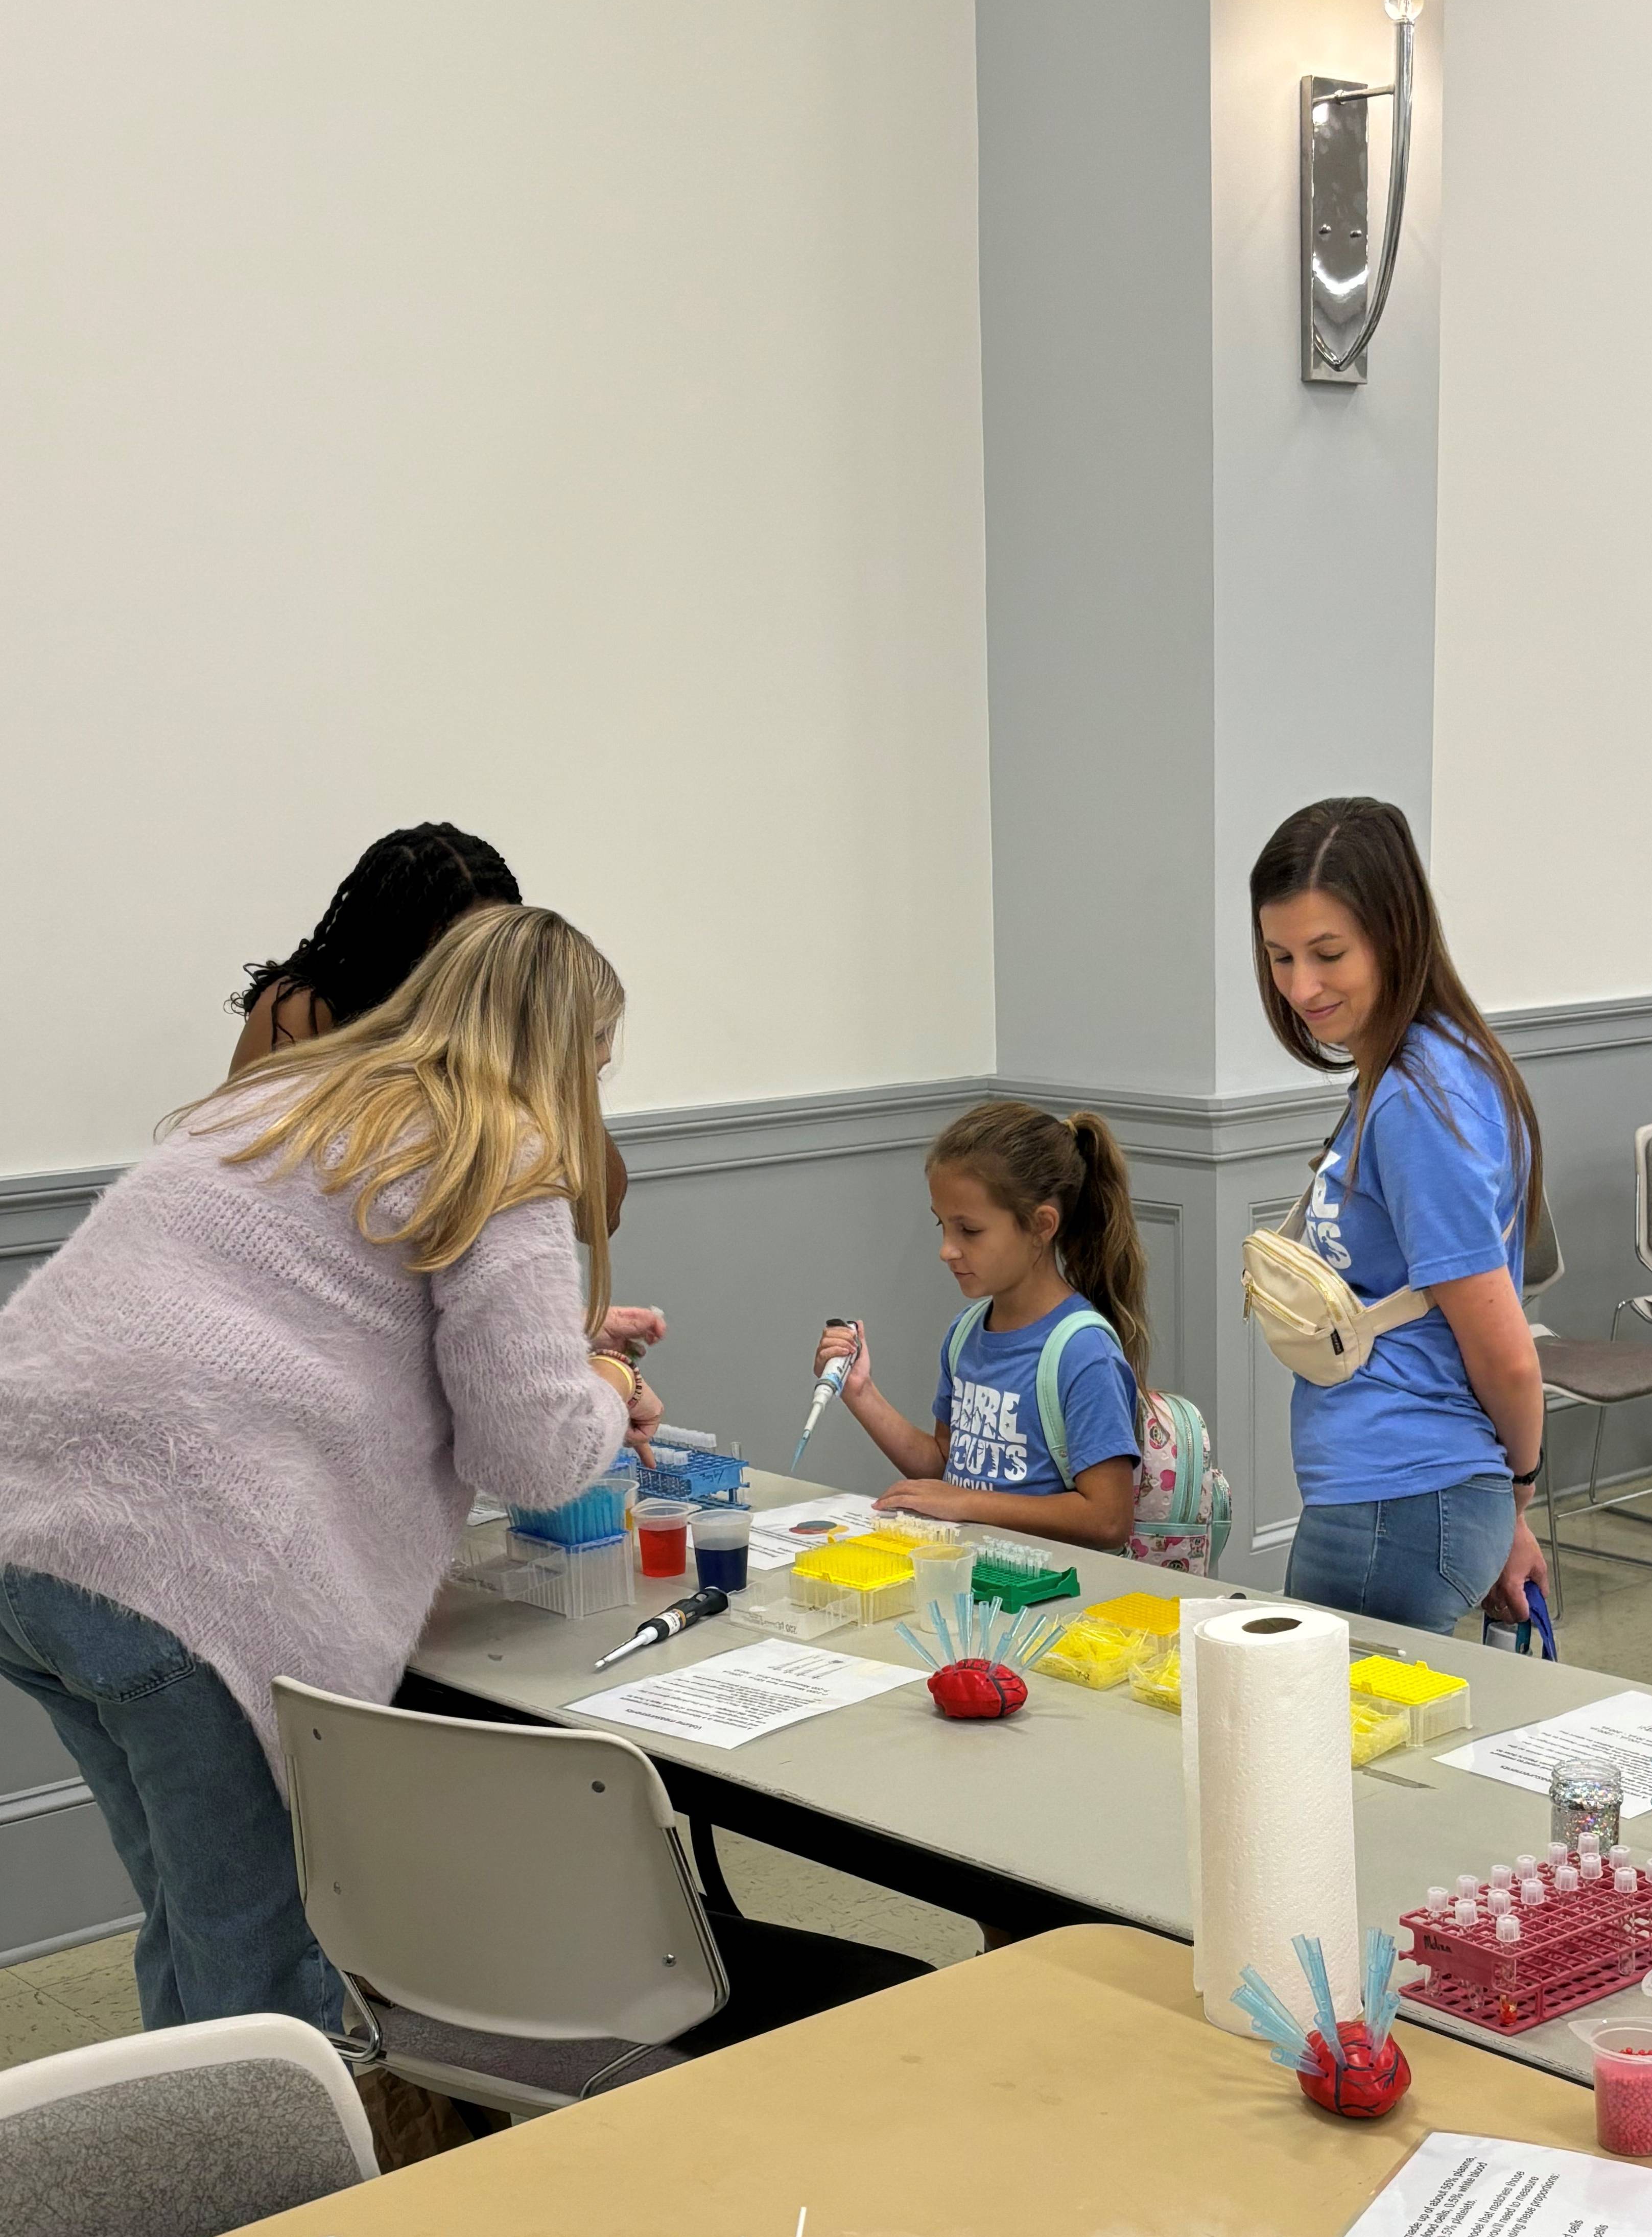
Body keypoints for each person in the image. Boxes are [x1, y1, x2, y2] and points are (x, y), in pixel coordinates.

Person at [0, 905, 662, 2036]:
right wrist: (603, 1377)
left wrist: (571, 1353)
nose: (594, 1085)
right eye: (597, 1060)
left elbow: (313, 1318)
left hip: (30, 1532)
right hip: (187, 1569)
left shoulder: (287, 1095)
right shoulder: (502, 1146)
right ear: (562, 1050)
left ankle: (194, 2184)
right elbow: (534, 1457)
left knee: (186, 1909)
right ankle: (264, 2203)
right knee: (256, 1962)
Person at [1249, 795, 1549, 1631]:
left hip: (1403, 1493)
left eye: (1326, 953)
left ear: (1394, 932)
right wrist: (1505, 1514)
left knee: (1323, 1752)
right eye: (1278, 957)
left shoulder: (1419, 1097)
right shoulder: (1402, 1077)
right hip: (1397, 1489)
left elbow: (1506, 1354)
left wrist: (1513, 1497)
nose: (1300, 986)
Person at [229, 822, 648, 1291]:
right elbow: (266, 1192)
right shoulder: (303, 1011)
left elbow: (599, 1219)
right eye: (453, 950)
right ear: (389, 949)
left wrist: (565, 1064)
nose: (473, 967)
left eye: (489, 947)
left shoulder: (502, 1024)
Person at [813, 1100, 1148, 1550]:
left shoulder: (1084, 1353)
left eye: (969, 1231)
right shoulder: (965, 1335)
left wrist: (967, 1503)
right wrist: (861, 1391)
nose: (947, 1250)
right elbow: (944, 1466)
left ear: (1041, 1225)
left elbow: (1107, 1519)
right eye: (943, 1227)